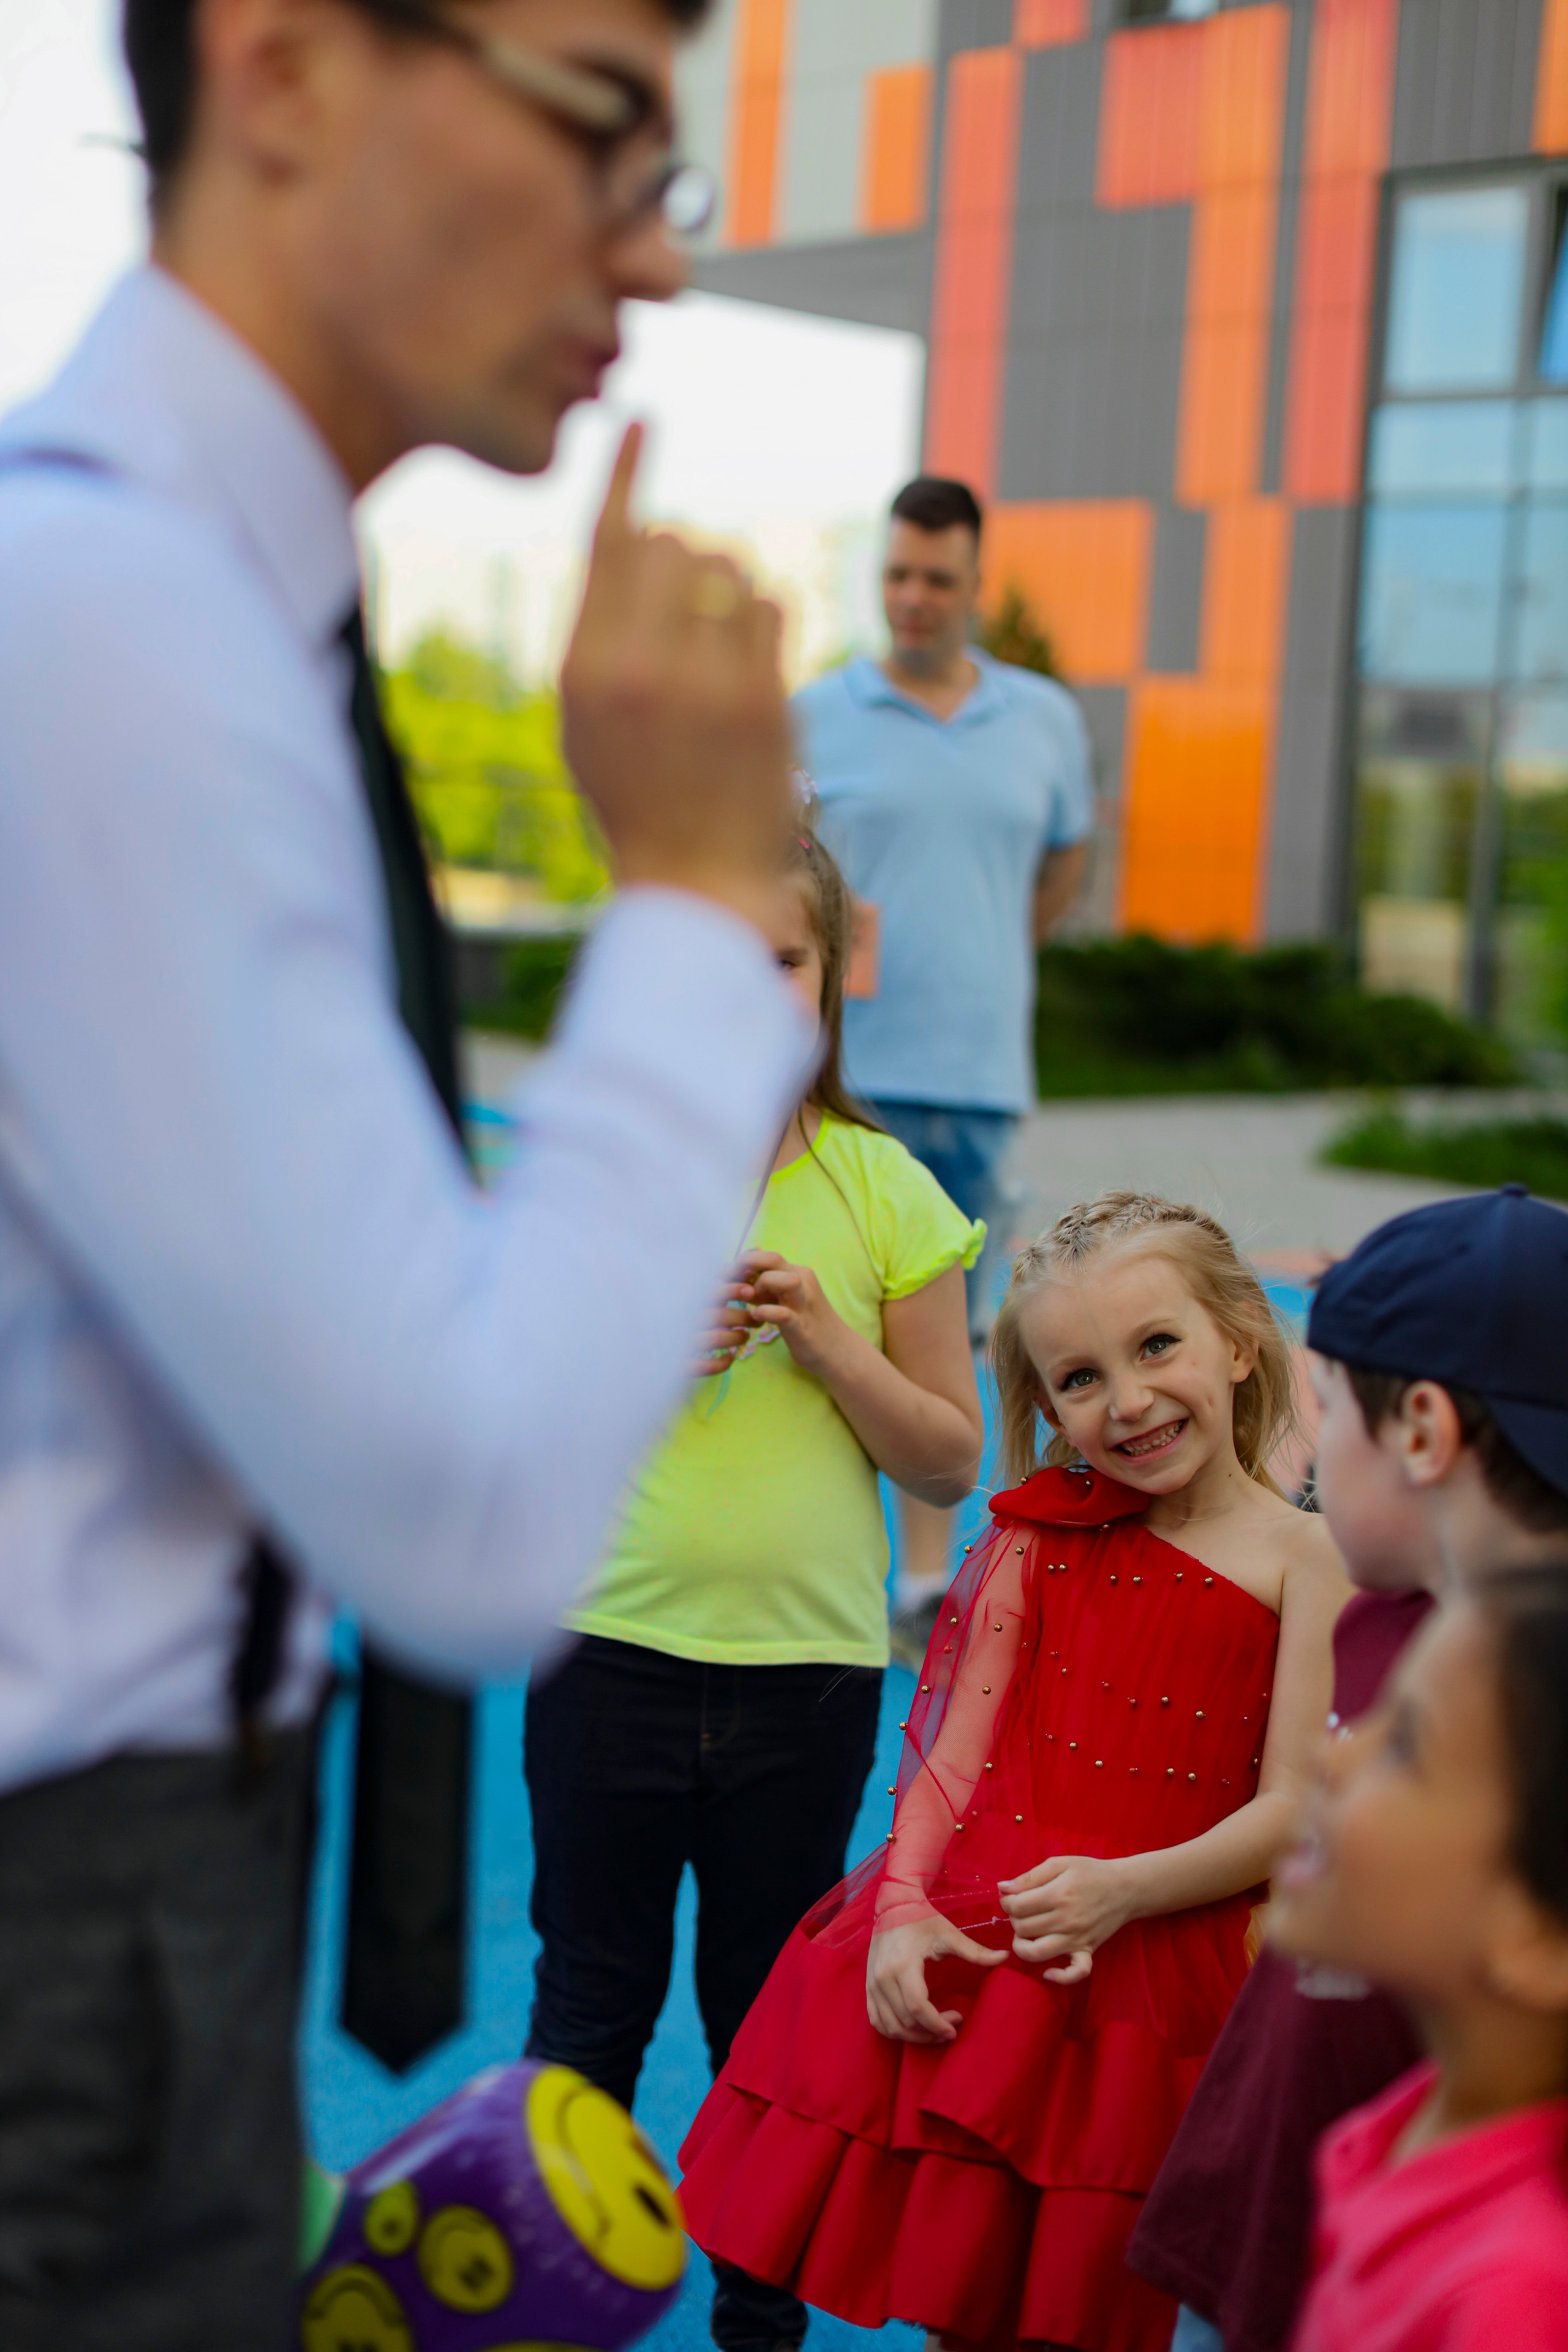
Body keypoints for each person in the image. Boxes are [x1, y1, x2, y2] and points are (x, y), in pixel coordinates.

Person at [0, 1, 813, 2342]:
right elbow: (468, 1520)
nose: (648, 260)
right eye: (603, 133)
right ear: (279, 66)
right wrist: (681, 898)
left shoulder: (185, 604)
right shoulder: (112, 625)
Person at [676, 1192, 1349, 2352]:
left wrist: (1127, 1888)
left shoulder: (1309, 1556)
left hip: (1167, 1981)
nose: (1127, 1402)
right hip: (1000, 1960)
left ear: (1241, 1342)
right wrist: (896, 1912)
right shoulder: (1035, 1539)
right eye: (1079, 1380)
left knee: (1112, 2301)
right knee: (976, 2295)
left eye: (1156, 1348)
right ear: (1043, 1407)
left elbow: (1292, 1808)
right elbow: (952, 1755)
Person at [522, 826, 985, 2352]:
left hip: (803, 1680)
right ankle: (540, 2304)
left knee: (765, 2028)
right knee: (588, 2004)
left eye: (774, 963)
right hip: (605, 1658)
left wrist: (832, 1347)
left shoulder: (884, 1189)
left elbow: (942, 1457)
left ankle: (755, 2321)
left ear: (829, 975)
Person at [1130, 1185, 1568, 2352]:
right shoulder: (1378, 1619)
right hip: (1286, 2202)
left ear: (1422, 1429)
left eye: (1325, 1409)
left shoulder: (1524, 1707)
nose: (1306, 1449)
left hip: (1434, 2260)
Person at [794, 475, 1094, 1639]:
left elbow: (1064, 863)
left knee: (950, 1332)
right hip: (839, 1073)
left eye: (939, 581)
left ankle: (922, 1582)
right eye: (898, 577)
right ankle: (826, 1556)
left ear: (976, 584)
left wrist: (989, 953)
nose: (914, 601)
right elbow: (774, 873)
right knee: (819, 1318)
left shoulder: (1045, 722)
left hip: (976, 1077)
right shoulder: (817, 714)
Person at [1269, 1566, 1568, 2351]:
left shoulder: (1515, 2299)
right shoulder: (1405, 2125)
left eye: (1402, 1744)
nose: (1330, 1756)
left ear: (1539, 1940)